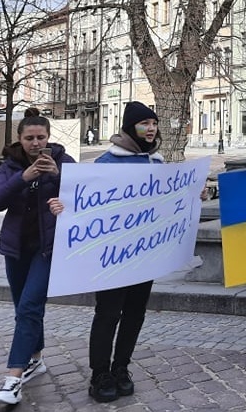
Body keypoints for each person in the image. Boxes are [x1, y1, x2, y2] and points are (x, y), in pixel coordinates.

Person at [0, 109, 74, 406]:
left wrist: (59, 179)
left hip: (48, 250)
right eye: (29, 138)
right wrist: (24, 177)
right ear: (20, 139)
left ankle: (13, 379)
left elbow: (87, 197)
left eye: (41, 137)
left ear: (49, 137)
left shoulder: (62, 162)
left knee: (29, 308)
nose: (36, 144)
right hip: (16, 249)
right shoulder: (11, 166)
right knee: (24, 308)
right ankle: (36, 358)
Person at [86, 101, 166, 403]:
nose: (150, 128)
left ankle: (121, 367)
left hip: (143, 254)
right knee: (108, 313)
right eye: (144, 123)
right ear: (130, 126)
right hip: (113, 255)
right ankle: (99, 373)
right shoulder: (107, 163)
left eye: (154, 123)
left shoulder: (156, 163)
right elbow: (88, 205)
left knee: (135, 313)